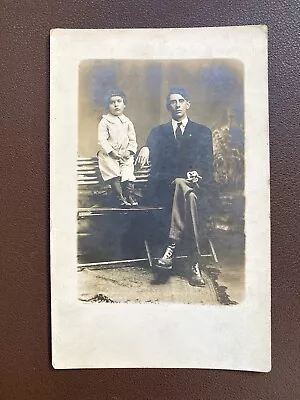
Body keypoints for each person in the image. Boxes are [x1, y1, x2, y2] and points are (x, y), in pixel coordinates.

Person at [136, 88, 215, 286]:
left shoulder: (203, 132)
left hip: (196, 187)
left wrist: (198, 174)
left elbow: (207, 164)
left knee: (188, 195)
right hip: (165, 188)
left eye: (181, 101)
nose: (177, 105)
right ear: (168, 106)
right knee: (184, 190)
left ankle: (171, 247)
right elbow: (155, 166)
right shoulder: (157, 132)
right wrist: (145, 147)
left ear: (188, 104)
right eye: (173, 101)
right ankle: (194, 262)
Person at [97, 89, 138, 206]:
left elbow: (132, 140)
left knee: (128, 168)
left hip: (124, 153)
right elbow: (102, 140)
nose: (116, 104)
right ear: (108, 106)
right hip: (109, 154)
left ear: (124, 105)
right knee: (112, 169)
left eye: (119, 101)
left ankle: (129, 195)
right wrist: (111, 152)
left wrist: (129, 151)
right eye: (112, 102)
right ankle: (119, 197)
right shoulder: (105, 122)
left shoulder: (127, 122)